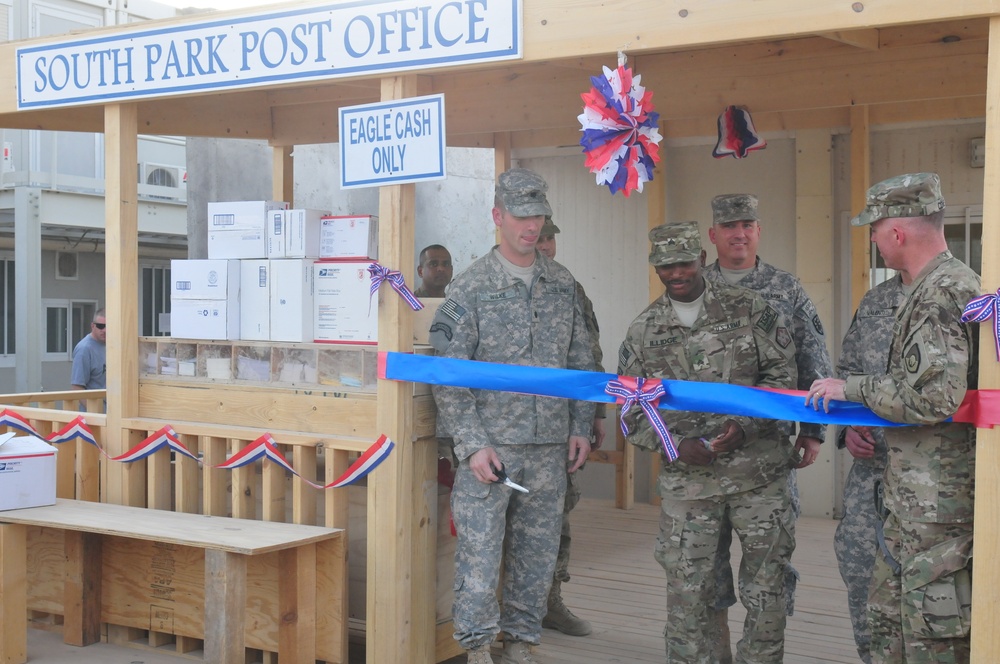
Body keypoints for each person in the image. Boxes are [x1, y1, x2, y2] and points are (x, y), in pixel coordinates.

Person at [807, 172, 979, 663]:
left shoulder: (943, 293)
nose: (875, 242)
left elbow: (933, 399)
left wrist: (851, 389)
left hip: (937, 503)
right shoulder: (924, 290)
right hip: (905, 496)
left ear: (897, 233)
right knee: (887, 622)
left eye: (876, 231)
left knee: (931, 635)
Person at [429, 168, 596, 664]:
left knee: (536, 557)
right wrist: (472, 444)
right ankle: (479, 650)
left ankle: (521, 644)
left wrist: (582, 426)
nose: (531, 226)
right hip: (491, 451)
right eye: (521, 215)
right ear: (498, 216)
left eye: (538, 215)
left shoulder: (563, 284)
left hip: (549, 450)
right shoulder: (469, 287)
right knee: (480, 559)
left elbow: (582, 361)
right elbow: (447, 373)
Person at [619, 220, 797, 663]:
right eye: (665, 266)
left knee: (766, 589)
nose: (675, 273)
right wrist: (674, 444)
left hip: (758, 477)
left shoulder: (752, 309)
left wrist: (747, 426)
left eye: (683, 262)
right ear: (655, 268)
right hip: (689, 485)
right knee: (688, 590)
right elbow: (630, 408)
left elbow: (783, 377)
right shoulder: (643, 330)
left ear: (701, 257)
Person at [703, 193, 833, 661]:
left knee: (770, 567)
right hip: (707, 454)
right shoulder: (691, 287)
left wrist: (814, 431)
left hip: (769, 454)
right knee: (704, 566)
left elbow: (814, 357)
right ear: (713, 234)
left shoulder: (786, 288)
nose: (739, 233)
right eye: (729, 226)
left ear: (758, 231)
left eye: (748, 224)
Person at [536, 215, 605, 637]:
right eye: (538, 238)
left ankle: (550, 601)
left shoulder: (569, 287)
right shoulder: (483, 285)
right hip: (506, 429)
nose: (544, 246)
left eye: (549, 239)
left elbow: (588, 354)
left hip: (561, 427)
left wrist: (595, 411)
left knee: (558, 516)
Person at [833, 273, 904, 664]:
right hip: (871, 475)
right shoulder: (876, 300)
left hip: (936, 484)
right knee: (859, 570)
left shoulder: (964, 294)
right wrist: (849, 428)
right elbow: (847, 373)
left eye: (879, 227)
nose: (874, 237)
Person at [71, 308, 107, 390]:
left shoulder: (113, 345)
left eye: (109, 326)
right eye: (100, 326)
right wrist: (90, 403)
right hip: (94, 402)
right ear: (92, 326)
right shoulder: (84, 349)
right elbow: (77, 387)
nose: (105, 330)